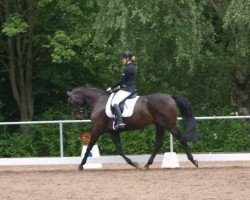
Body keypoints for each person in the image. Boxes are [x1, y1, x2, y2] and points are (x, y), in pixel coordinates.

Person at [107, 50, 137, 130]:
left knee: (114, 102)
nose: (122, 60)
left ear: (127, 58)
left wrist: (112, 87)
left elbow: (121, 81)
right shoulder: (129, 67)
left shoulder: (129, 68)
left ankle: (120, 122)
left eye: (123, 58)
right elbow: (124, 82)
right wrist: (118, 88)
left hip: (128, 89)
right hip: (127, 87)